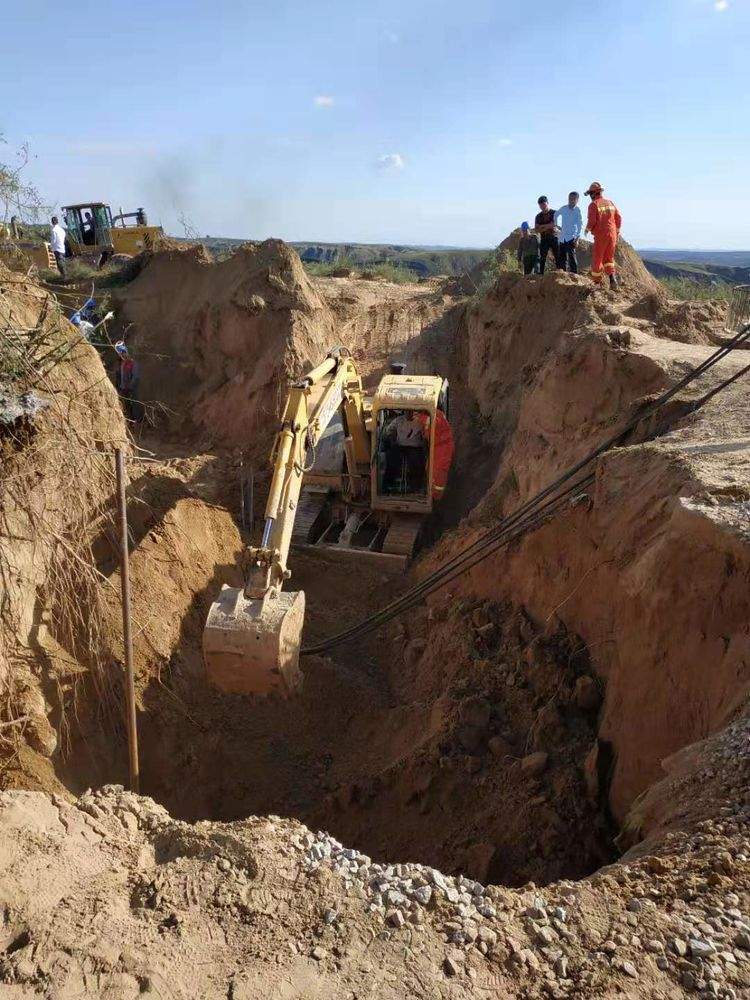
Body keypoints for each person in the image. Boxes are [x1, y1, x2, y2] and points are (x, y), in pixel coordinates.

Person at [584, 181, 622, 289]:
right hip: (613, 235)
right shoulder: (610, 203)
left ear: (593, 193)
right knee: (608, 259)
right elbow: (618, 218)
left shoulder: (593, 204)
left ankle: (596, 283)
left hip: (601, 235)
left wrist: (587, 229)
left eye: (590, 194)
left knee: (597, 259)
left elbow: (592, 221)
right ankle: (612, 280)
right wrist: (617, 232)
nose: (590, 196)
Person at [383, 410, 426, 493]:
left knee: (416, 461)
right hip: (400, 446)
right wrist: (391, 437)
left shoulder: (420, 422)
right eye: (407, 411)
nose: (409, 413)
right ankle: (388, 485)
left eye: (411, 411)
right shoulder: (398, 420)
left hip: (414, 447)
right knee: (392, 459)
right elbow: (388, 431)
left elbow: (425, 434)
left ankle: (415, 486)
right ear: (404, 412)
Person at [555, 192, 583, 273]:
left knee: (572, 257)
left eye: (573, 199)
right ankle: (563, 274)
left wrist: (577, 238)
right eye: (570, 198)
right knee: (562, 257)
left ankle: (574, 275)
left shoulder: (577, 210)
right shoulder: (564, 208)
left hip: (571, 237)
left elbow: (580, 225)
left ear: (577, 200)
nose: (571, 200)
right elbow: (556, 215)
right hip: (562, 237)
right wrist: (556, 227)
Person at [115, 341, 141, 421]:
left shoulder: (133, 363)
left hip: (132, 388)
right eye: (120, 353)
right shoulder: (121, 364)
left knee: (134, 403)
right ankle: (131, 420)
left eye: (123, 353)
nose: (122, 355)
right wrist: (119, 386)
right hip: (124, 388)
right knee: (127, 405)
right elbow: (120, 376)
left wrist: (130, 386)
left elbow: (136, 376)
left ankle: (138, 419)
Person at [534, 196, 559, 274]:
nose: (543, 207)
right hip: (544, 238)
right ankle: (541, 274)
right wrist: (548, 226)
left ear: (547, 203)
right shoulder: (538, 216)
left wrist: (542, 226)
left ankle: (560, 272)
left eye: (544, 204)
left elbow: (555, 224)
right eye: (541, 205)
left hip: (554, 237)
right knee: (542, 257)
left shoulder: (554, 213)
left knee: (558, 256)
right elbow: (537, 230)